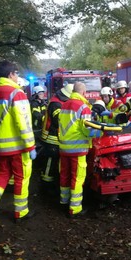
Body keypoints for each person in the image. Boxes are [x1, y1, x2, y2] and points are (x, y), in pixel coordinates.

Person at [0, 60, 36, 231]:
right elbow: (23, 124)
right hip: (18, 148)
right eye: (16, 73)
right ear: (11, 74)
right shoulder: (17, 94)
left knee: (1, 177)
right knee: (21, 178)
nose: (18, 77)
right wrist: (31, 147)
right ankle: (21, 212)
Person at [58, 82, 102, 218]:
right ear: (84, 93)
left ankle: (64, 201)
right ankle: (75, 208)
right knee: (77, 178)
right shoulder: (84, 107)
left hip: (63, 147)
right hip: (77, 149)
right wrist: (98, 132)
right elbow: (87, 130)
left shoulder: (64, 105)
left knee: (64, 175)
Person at [39, 84, 73, 189]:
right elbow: (58, 120)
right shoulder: (56, 104)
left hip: (56, 137)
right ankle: (46, 185)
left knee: (54, 162)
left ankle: (51, 182)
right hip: (51, 138)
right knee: (50, 161)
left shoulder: (59, 101)